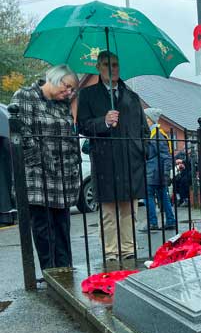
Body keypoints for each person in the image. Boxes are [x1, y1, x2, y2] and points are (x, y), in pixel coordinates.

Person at [78, 51, 150, 261]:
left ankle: (128, 250)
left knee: (130, 211)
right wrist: (104, 121)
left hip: (130, 162)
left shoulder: (132, 97)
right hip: (105, 162)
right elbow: (82, 126)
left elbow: (144, 130)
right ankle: (111, 253)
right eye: (108, 64)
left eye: (116, 64)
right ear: (99, 68)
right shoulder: (88, 95)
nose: (114, 68)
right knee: (109, 213)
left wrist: (141, 150)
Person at [10, 64, 80, 268]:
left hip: (63, 177)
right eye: (67, 87)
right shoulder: (25, 96)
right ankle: (50, 273)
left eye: (72, 90)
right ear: (54, 79)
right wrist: (44, 158)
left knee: (62, 227)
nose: (69, 92)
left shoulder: (63, 104)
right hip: (38, 176)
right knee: (44, 229)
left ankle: (65, 270)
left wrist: (74, 159)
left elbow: (69, 136)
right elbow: (21, 132)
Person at [140, 107, 176, 231]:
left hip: (154, 172)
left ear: (150, 120)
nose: (143, 119)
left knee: (148, 195)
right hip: (156, 172)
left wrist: (166, 174)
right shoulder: (154, 133)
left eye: (145, 117)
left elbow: (165, 157)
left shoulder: (158, 135)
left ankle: (153, 222)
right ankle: (170, 220)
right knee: (162, 196)